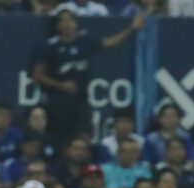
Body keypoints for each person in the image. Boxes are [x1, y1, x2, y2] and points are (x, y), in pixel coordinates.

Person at [32, 11, 144, 140]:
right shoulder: (50, 46)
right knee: (60, 139)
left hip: (81, 101)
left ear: (76, 23)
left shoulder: (85, 41)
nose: (67, 24)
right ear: (58, 25)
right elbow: (37, 76)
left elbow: (111, 42)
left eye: (70, 20)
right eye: (63, 20)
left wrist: (132, 29)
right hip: (58, 102)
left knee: (85, 138)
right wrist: (61, 86)